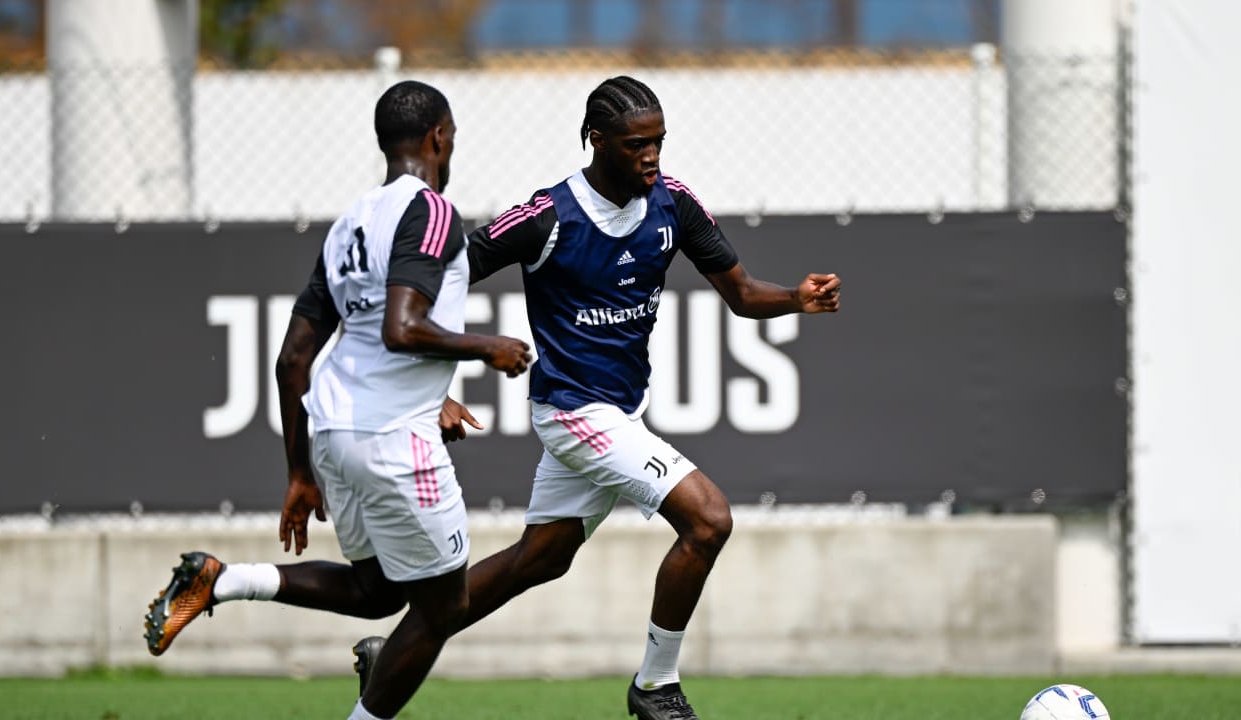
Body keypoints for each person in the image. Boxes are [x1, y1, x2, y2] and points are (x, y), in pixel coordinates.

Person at [354, 75, 841, 720]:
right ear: (596, 140)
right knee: (709, 519)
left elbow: (743, 292)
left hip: (620, 409)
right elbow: (439, 278)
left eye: (659, 142)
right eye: (636, 144)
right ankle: (656, 686)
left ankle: (393, 653)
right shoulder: (547, 217)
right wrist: (432, 386)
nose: (652, 156)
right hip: (572, 412)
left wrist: (796, 299)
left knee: (541, 559)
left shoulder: (673, 205)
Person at [141, 79, 532, 720]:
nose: (453, 145)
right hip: (391, 440)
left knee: (378, 590)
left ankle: (225, 579)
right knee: (445, 607)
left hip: (333, 434)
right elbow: (401, 328)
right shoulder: (431, 211)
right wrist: (488, 347)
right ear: (438, 136)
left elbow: (293, 360)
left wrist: (300, 472)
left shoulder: (350, 223)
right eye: (452, 135)